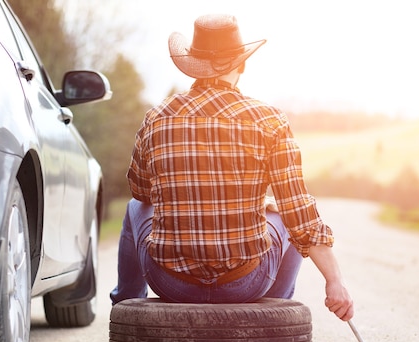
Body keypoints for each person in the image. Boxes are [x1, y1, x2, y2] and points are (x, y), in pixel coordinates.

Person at [110, 14, 354, 321]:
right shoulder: (270, 121)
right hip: (246, 284)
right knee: (284, 210)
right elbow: (300, 211)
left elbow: (141, 191)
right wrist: (335, 281)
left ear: (193, 64)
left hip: (171, 282)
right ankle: (272, 313)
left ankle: (124, 306)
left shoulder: (157, 117)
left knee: (135, 207)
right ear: (242, 65)